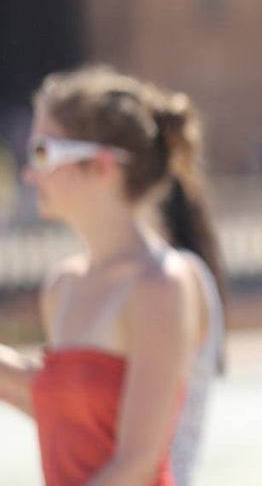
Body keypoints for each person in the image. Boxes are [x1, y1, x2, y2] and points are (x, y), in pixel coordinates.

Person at [0, 66, 226, 486]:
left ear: (103, 164)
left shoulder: (162, 285)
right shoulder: (61, 286)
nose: (30, 173)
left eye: (43, 152)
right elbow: (68, 407)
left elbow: (139, 462)